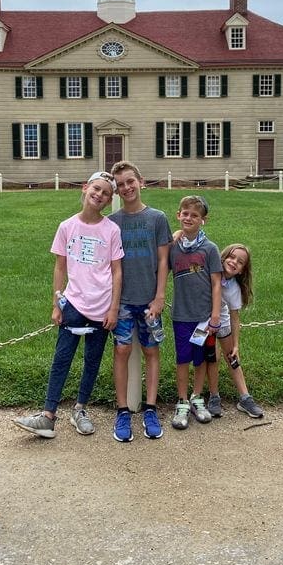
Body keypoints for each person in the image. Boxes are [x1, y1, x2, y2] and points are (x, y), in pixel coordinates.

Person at [13, 171, 124, 439]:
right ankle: (48, 414)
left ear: (109, 200)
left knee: (92, 360)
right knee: (62, 358)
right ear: (86, 189)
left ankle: (81, 408)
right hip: (73, 302)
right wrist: (57, 302)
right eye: (95, 189)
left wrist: (113, 308)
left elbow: (117, 271)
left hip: (101, 307)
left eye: (105, 193)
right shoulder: (67, 226)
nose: (99, 195)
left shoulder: (111, 230)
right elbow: (60, 267)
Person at [108, 161, 172, 442]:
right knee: (121, 351)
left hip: (149, 300)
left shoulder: (157, 218)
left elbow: (163, 260)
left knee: (151, 351)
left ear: (141, 181)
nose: (126, 188)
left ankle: (150, 408)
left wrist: (160, 297)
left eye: (130, 181)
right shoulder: (113, 223)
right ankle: (122, 410)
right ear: (116, 191)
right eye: (120, 185)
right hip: (122, 300)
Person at [168, 195, 222, 430]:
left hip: (203, 317)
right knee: (183, 358)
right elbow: (159, 265)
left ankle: (197, 397)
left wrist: (215, 315)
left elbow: (217, 283)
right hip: (181, 315)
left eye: (195, 215)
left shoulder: (210, 249)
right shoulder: (173, 248)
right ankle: (181, 401)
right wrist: (172, 238)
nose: (189, 218)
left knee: (200, 359)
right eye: (185, 213)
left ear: (203, 220)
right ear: (178, 215)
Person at [205, 243, 265, 419]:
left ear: (241, 271)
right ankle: (214, 396)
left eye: (239, 262)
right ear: (223, 257)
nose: (233, 262)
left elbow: (234, 316)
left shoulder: (233, 288)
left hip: (222, 321)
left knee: (232, 358)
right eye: (231, 257)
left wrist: (236, 345)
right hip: (204, 320)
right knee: (212, 358)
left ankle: (245, 398)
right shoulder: (210, 271)